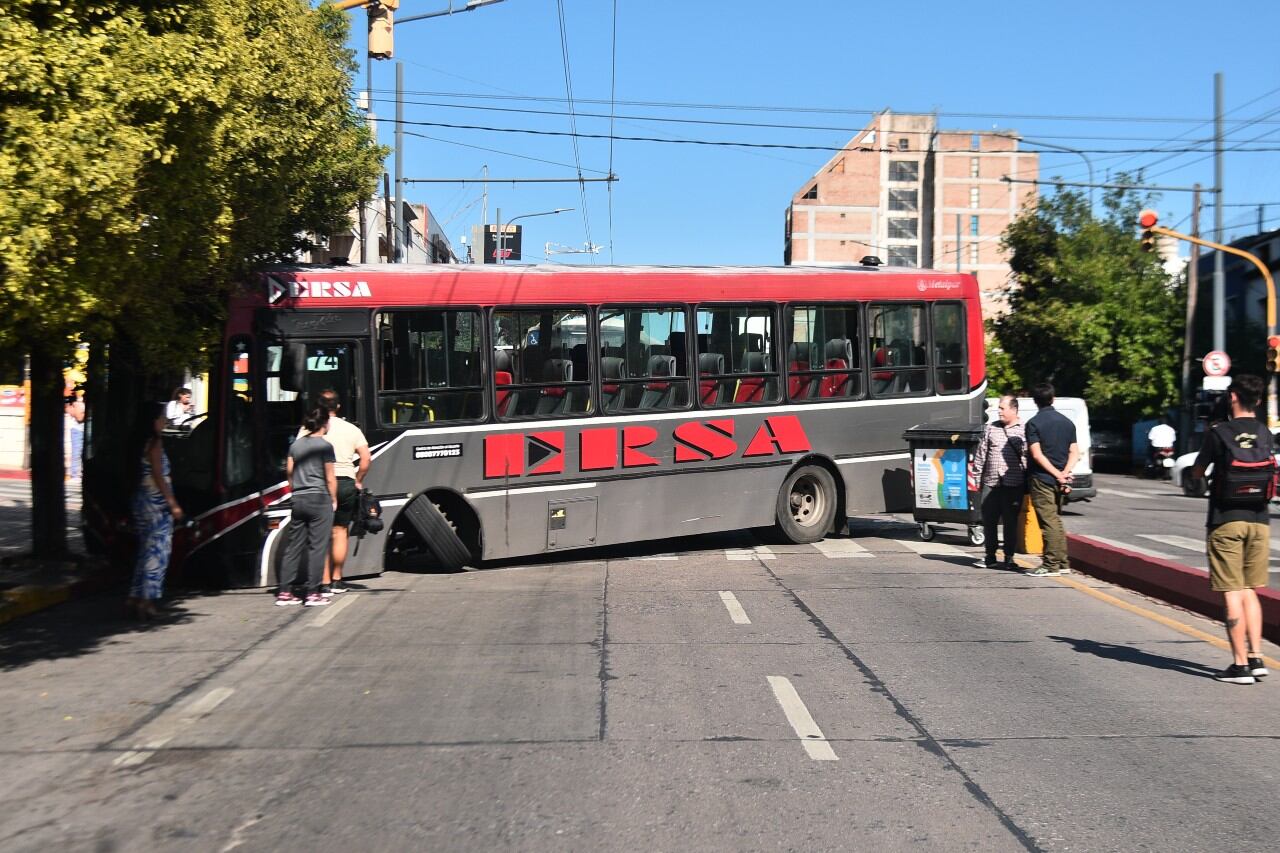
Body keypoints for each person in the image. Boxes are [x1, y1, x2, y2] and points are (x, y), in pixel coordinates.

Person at [1191, 374, 1272, 685]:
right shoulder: (1265, 433)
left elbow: (1198, 472)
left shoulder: (1219, 432)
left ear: (1234, 397)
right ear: (1260, 401)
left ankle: (1239, 666)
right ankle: (1256, 657)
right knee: (1251, 591)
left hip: (1226, 520)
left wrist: (1203, 480)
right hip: (1260, 521)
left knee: (1232, 593)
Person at [297, 389, 370, 596]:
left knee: (322, 535)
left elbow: (297, 453)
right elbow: (366, 459)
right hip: (346, 482)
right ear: (338, 407)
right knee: (340, 531)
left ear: (318, 406)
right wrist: (358, 480)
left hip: (320, 484)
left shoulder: (308, 428)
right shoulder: (351, 429)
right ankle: (338, 579)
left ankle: (324, 582)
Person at [126, 402, 184, 619]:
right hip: (157, 504)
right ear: (153, 421)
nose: (165, 422)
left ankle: (134, 597)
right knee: (158, 552)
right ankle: (147, 602)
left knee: (144, 551)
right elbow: (159, 477)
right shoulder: (155, 444)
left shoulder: (138, 443)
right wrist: (173, 504)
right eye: (161, 418)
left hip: (141, 501)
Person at [277, 408, 337, 607]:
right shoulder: (325, 447)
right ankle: (313, 593)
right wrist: (333, 499)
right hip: (319, 499)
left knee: (293, 546)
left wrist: (296, 490)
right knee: (317, 547)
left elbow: (290, 472)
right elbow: (330, 477)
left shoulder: (295, 445)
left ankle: (285, 592)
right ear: (323, 424)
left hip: (299, 498)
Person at [1025, 382, 1080, 577]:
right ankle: (1063, 562)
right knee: (1055, 520)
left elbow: (1037, 455)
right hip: (1060, 479)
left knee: (1048, 522)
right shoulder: (1067, 422)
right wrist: (1064, 473)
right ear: (1052, 398)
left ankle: (1050, 565)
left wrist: (1057, 474)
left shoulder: (1033, 423)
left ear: (1035, 401)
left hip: (1042, 478)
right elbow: (1075, 452)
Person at [969, 394, 1026, 570]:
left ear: (1013, 409)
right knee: (989, 521)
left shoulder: (1024, 430)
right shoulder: (991, 429)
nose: (999, 412)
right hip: (991, 483)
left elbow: (1027, 458)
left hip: (1013, 484)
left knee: (1010, 522)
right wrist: (976, 481)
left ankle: (1009, 557)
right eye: (999, 408)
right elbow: (980, 455)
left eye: (1002, 408)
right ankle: (990, 556)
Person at [64, 392, 85, 481]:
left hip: (82, 429)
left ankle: (77, 473)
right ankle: (75, 474)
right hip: (78, 429)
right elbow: (79, 417)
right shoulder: (76, 402)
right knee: (77, 452)